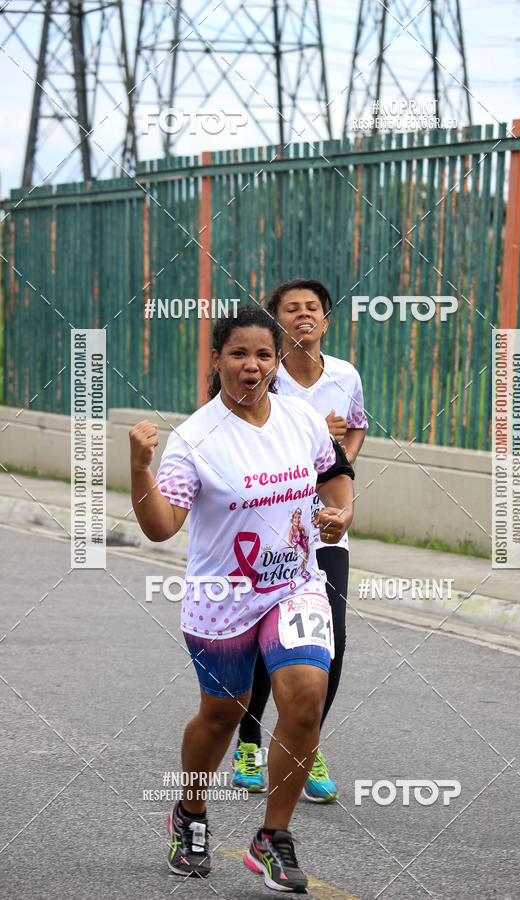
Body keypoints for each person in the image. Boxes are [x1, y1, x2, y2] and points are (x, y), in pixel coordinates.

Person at [129, 305, 354, 892]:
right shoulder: (195, 438)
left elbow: (334, 471)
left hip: (296, 584)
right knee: (222, 715)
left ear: (277, 361)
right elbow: (161, 526)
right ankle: (191, 814)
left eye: (263, 354)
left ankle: (272, 837)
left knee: (305, 699)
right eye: (238, 354)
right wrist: (139, 469)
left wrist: (340, 512)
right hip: (221, 597)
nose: (251, 366)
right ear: (217, 359)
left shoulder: (300, 418)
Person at [233, 278, 367, 803]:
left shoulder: (346, 375)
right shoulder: (264, 376)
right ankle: (248, 742)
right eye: (292, 308)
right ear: (276, 321)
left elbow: (357, 426)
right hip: (273, 527)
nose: (304, 315)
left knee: (331, 641)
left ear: (326, 321)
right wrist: (311, 437)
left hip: (326, 527)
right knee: (268, 641)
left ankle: (303, 746)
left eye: (313, 308)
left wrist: (339, 464)